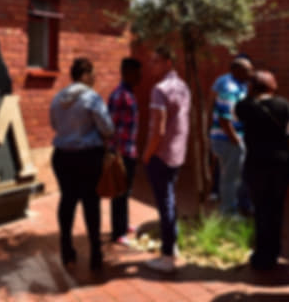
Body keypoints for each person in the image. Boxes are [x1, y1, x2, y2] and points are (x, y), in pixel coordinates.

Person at [49, 58, 114, 271]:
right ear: (85, 75)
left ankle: (66, 248)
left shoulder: (58, 97)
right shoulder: (91, 98)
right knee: (90, 203)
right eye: (93, 74)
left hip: (62, 156)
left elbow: (54, 124)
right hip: (87, 157)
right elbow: (107, 128)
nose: (95, 78)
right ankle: (96, 252)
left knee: (67, 199)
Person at [236, 70, 289, 270]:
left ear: (252, 87)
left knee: (260, 208)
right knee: (276, 208)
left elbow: (234, 116)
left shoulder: (244, 106)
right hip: (280, 163)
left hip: (256, 164)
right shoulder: (284, 104)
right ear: (272, 86)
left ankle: (261, 254)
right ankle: (274, 251)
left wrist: (250, 95)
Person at [143, 46, 191, 273]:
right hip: (178, 153)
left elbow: (157, 130)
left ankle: (167, 257)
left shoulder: (160, 89)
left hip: (162, 155)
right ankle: (173, 246)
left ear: (168, 63)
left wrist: (147, 154)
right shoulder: (183, 87)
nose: (151, 65)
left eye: (156, 61)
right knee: (169, 199)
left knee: (165, 204)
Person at [209, 57, 253, 214]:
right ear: (236, 71)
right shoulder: (229, 88)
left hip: (233, 138)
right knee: (230, 179)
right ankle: (228, 212)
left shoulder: (241, 85)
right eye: (248, 70)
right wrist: (236, 141)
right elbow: (224, 119)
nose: (251, 73)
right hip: (227, 139)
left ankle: (238, 206)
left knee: (236, 176)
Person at [107, 58, 142, 245]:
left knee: (126, 191)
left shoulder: (129, 93)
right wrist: (114, 153)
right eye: (137, 73)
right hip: (121, 153)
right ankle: (117, 232)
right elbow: (110, 126)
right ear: (128, 72)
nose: (140, 77)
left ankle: (125, 224)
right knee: (119, 192)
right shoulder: (120, 95)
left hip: (130, 151)